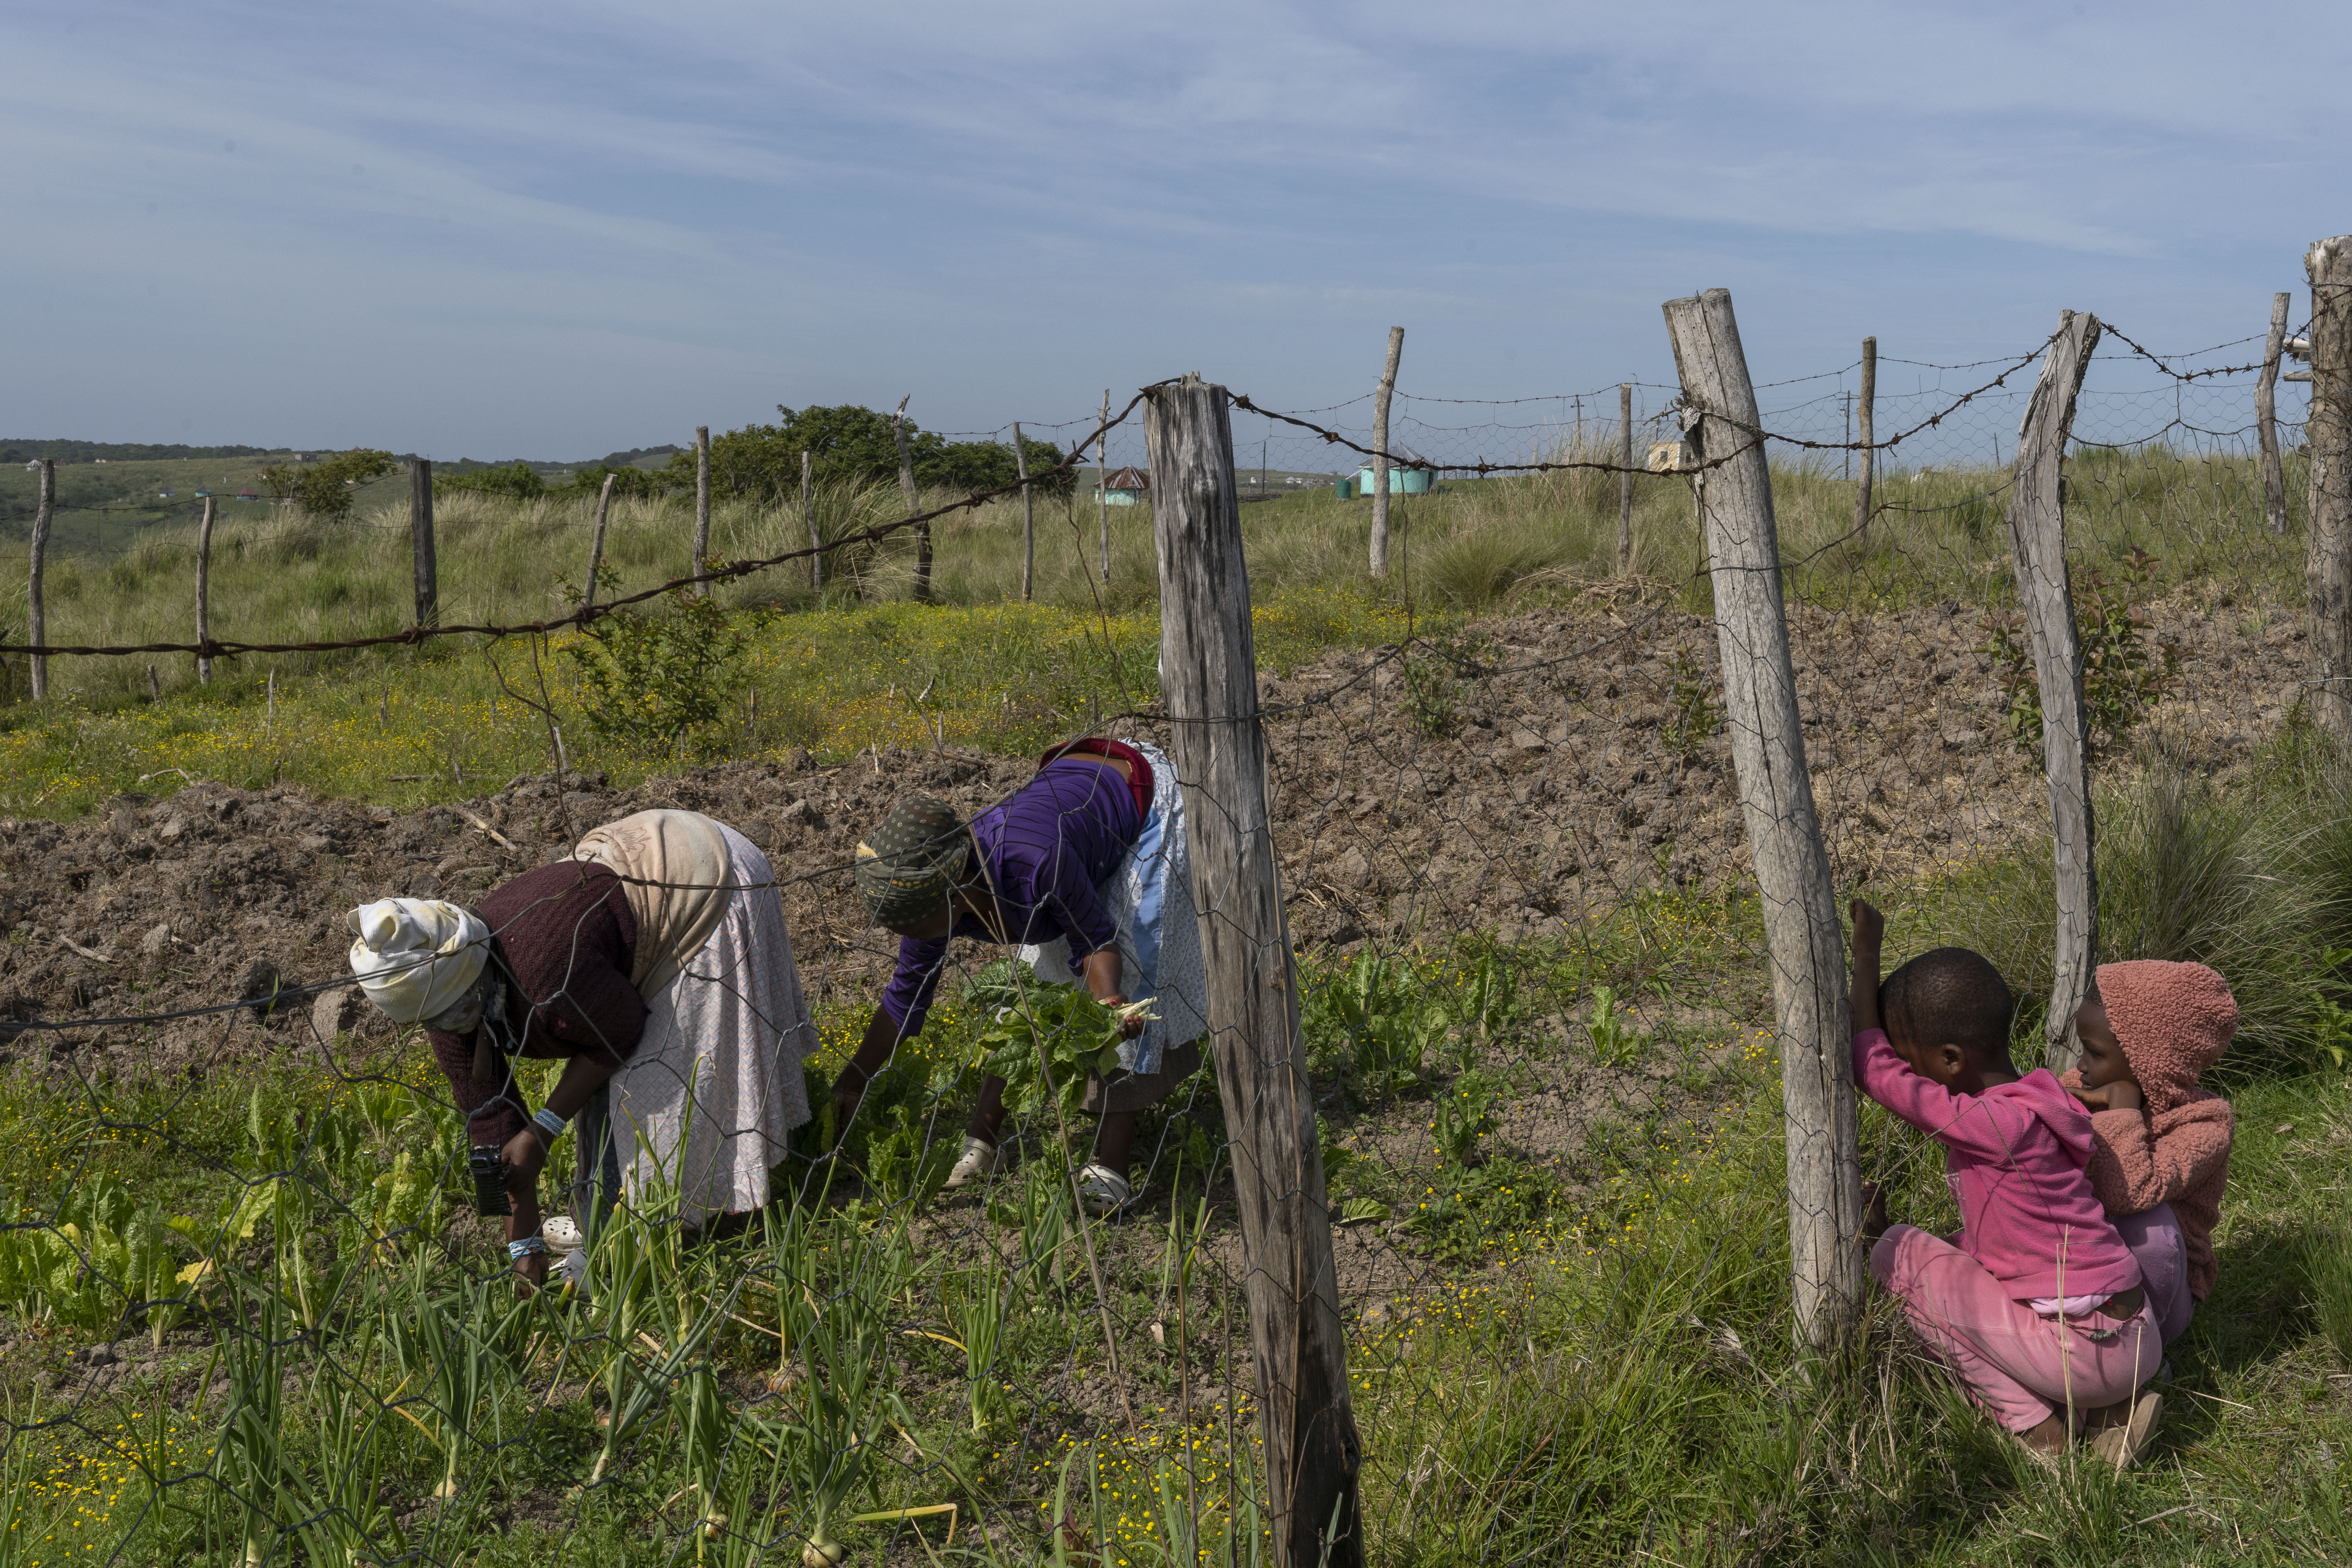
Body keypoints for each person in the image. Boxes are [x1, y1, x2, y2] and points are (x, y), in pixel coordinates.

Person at [347, 808, 814, 1291]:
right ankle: (610, 1220)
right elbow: (495, 1134)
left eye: (453, 1009)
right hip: (625, 885)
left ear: (469, 972)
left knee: (656, 1092)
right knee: (602, 1098)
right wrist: (523, 1253)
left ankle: (679, 1218)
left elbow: (620, 1031)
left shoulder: (541, 967)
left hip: (701, 878)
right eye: (435, 1019)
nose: (448, 1026)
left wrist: (545, 1129)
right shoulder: (443, 998)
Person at [829, 738, 1209, 1216]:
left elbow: (1096, 942)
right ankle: (984, 1143)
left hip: (1141, 797)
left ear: (954, 897)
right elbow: (906, 997)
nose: (910, 939)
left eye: (913, 930)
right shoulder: (939, 888)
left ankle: (1112, 1161)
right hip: (1073, 814)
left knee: (1133, 966)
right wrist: (854, 1079)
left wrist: (1108, 1001)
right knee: (1031, 992)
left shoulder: (1032, 865)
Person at [1849, 899, 2163, 1468]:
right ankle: (2111, 1413)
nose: (1903, 1067)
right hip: (2140, 1335)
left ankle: (2039, 1429)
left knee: (1898, 1252)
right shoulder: (2044, 1097)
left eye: (1909, 1058)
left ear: (1949, 1061)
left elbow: (1874, 1074)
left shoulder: (1993, 1124)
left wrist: (1866, 950)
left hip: (2085, 1352)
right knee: (1958, 1256)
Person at [2061, 961, 2236, 1347]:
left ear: (2150, 1061)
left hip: (2162, 1293)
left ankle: (2140, 1352)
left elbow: (2129, 1194)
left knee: (2148, 1225)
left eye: (2094, 1053)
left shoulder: (2204, 1126)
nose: (2080, 1066)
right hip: (2085, 1266)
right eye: (2082, 1049)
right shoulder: (2079, 1087)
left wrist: (2122, 1109)